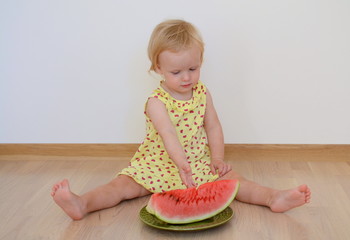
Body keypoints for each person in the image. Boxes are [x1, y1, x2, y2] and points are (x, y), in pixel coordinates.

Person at [51, 19, 311, 220]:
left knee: (237, 183)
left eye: (193, 69)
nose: (186, 78)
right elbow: (169, 135)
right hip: (157, 163)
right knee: (120, 187)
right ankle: (81, 203)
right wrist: (181, 167)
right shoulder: (156, 102)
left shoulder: (202, 92)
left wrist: (217, 159)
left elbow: (213, 126)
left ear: (200, 62)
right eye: (176, 72)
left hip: (198, 163)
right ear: (158, 68)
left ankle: (274, 197)